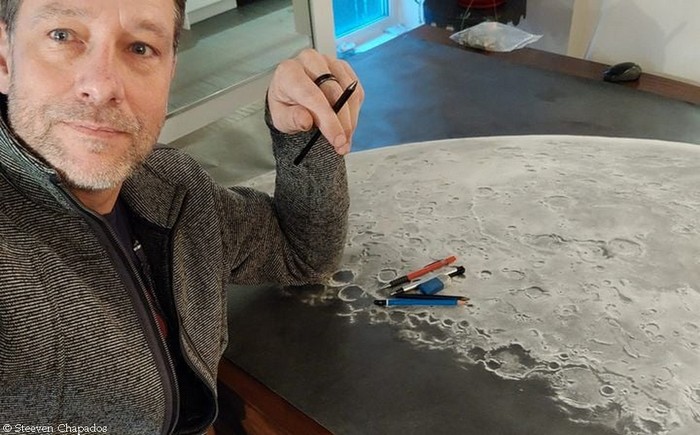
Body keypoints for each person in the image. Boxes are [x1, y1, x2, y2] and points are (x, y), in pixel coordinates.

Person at [0, 0, 363, 433]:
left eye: (140, 48)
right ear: (4, 58)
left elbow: (302, 252)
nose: (101, 85)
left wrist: (304, 131)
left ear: (170, 70)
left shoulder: (175, 187)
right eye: (62, 36)